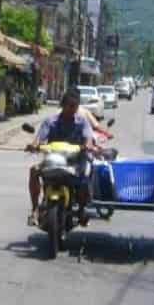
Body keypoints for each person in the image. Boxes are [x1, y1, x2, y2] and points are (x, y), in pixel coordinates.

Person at [26, 88, 95, 227]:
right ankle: (35, 210)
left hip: (75, 161)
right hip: (54, 159)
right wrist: (34, 145)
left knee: (84, 178)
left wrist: (88, 145)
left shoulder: (82, 122)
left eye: (75, 106)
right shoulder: (50, 121)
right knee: (34, 170)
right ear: (62, 105)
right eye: (69, 105)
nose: (72, 109)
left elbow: (88, 137)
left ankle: (81, 210)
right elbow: (40, 138)